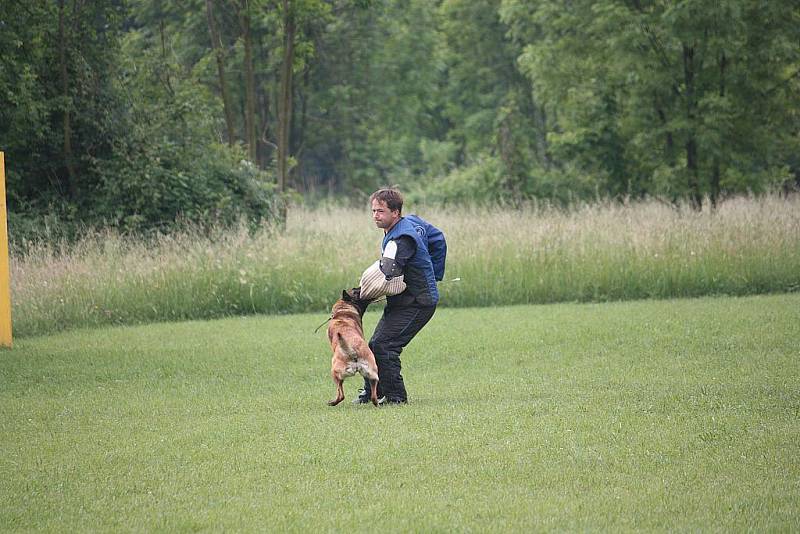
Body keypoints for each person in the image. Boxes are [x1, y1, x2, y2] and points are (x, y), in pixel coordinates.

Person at [354, 188, 447, 405]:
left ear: (395, 212)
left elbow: (388, 269)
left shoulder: (401, 239)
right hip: (404, 300)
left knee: (385, 346)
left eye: (381, 211)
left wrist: (363, 294)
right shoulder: (412, 222)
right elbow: (438, 238)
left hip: (418, 302)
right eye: (373, 211)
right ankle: (371, 393)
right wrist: (432, 271)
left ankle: (396, 397)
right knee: (376, 343)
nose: (375, 216)